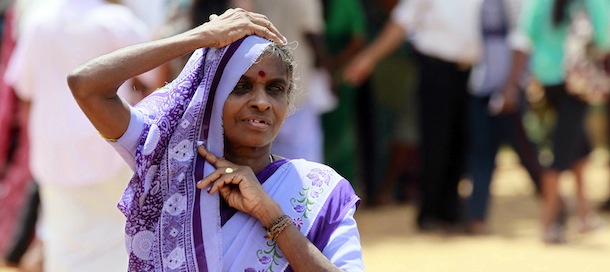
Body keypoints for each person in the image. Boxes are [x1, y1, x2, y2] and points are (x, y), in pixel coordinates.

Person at [68, 8, 364, 271]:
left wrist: (271, 215)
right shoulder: (168, 160)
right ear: (210, 95)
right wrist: (199, 37)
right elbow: (86, 84)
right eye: (242, 86)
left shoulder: (319, 190)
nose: (261, 102)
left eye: (275, 89)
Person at [3, 0, 151, 270]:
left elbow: (25, 91)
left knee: (64, 245)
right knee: (118, 243)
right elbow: (153, 80)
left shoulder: (39, 21)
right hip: (114, 148)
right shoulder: (118, 21)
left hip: (55, 154)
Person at [344, 0, 482, 231]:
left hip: (471, 72)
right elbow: (400, 23)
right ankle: (430, 212)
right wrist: (369, 58)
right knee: (436, 141)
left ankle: (451, 211)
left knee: (462, 141)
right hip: (436, 67)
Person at [503, 0, 610, 243]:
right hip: (577, 81)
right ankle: (548, 222)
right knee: (561, 150)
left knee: (577, 143)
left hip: (545, 80)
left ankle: (583, 213)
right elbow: (605, 39)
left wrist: (513, 83)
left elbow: (524, 38)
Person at [464, 0, 546, 234]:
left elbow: (522, 43)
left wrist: (511, 88)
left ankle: (554, 207)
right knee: (481, 153)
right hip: (481, 88)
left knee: (527, 153)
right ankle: (476, 217)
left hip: (512, 92)